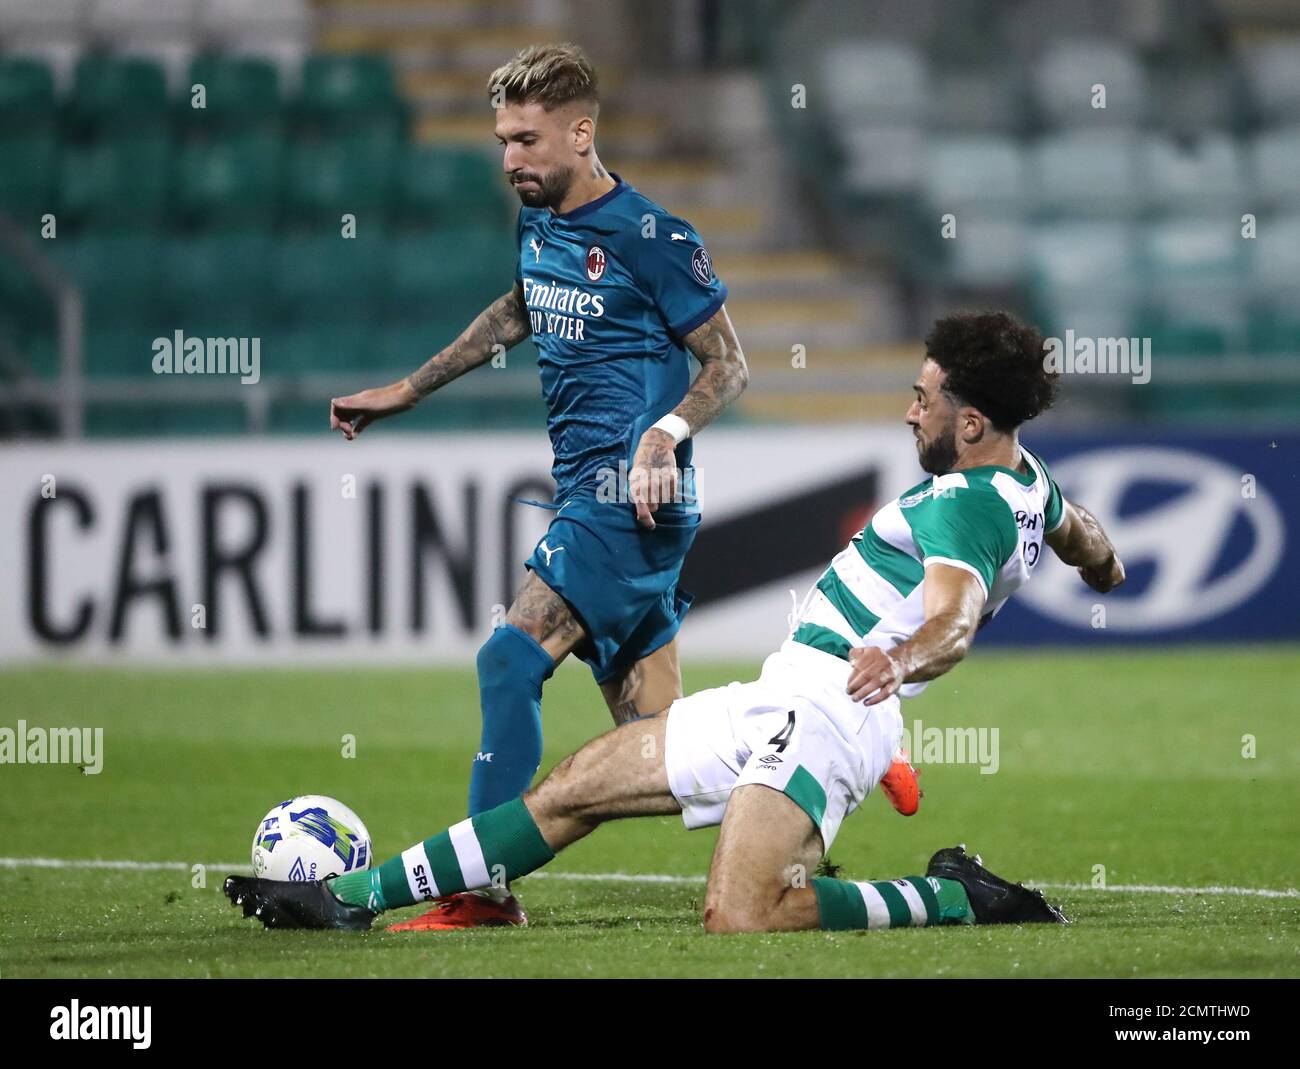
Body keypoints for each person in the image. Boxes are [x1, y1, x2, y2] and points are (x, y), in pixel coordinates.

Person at [233, 311, 1122, 935]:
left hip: (834, 711)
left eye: (922, 398)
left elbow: (955, 620)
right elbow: (1085, 535)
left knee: (743, 915)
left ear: (970, 421)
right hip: (785, 694)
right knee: (572, 785)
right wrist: (1105, 565)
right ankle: (347, 897)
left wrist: (903, 656)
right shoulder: (1027, 482)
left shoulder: (967, 502)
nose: (908, 409)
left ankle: (953, 897)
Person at [326, 44, 752, 930]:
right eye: (500, 141)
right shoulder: (541, 219)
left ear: (581, 131)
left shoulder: (654, 237)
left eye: (525, 139)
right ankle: (799, 755)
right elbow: (520, 306)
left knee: (508, 658)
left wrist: (666, 435)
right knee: (662, 753)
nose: (509, 160)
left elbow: (729, 364)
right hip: (592, 499)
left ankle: (478, 890)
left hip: (626, 501)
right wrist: (410, 388)